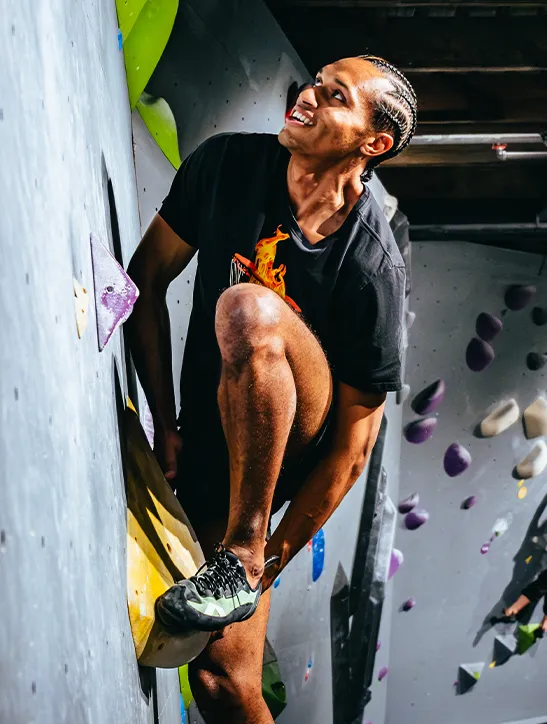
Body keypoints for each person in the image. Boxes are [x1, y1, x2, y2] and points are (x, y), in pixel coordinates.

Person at [126, 55, 417, 723]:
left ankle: (238, 550)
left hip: (291, 451)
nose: (307, 96)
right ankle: (234, 553)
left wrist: (262, 561)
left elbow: (350, 449)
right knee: (224, 684)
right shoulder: (226, 164)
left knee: (248, 310)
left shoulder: (371, 261)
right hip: (211, 439)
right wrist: (163, 423)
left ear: (373, 143)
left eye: (334, 96)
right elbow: (145, 280)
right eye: (313, 82)